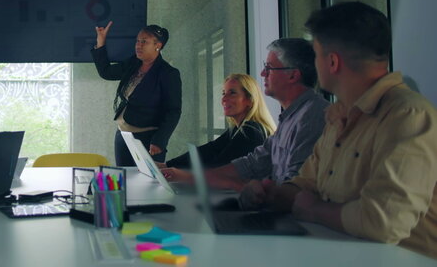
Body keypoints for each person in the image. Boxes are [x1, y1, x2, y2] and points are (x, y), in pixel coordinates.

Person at [245, 2, 437, 259]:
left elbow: (384, 222)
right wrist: (267, 194)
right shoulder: (338, 117)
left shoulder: (408, 115)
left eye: (316, 54)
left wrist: (314, 210)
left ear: (332, 61)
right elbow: (306, 184)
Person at [162, 38, 328, 191]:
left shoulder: (311, 117)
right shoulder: (290, 118)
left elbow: (294, 189)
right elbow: (250, 164)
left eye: (269, 68)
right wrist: (180, 173)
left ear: (293, 75)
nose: (263, 74)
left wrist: (189, 177)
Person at [92, 21, 182, 166]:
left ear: (157, 45)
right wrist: (101, 42)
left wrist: (160, 141)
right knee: (127, 180)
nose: (138, 45)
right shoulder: (133, 64)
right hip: (123, 134)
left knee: (148, 184)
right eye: (138, 41)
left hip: (148, 138)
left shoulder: (168, 73)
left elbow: (173, 111)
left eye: (144, 42)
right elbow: (106, 72)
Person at [159, 73, 276, 169]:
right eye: (224, 93)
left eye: (232, 93)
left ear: (250, 100)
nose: (224, 99)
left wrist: (175, 172)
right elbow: (209, 150)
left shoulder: (251, 131)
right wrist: (168, 165)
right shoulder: (237, 129)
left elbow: (219, 167)